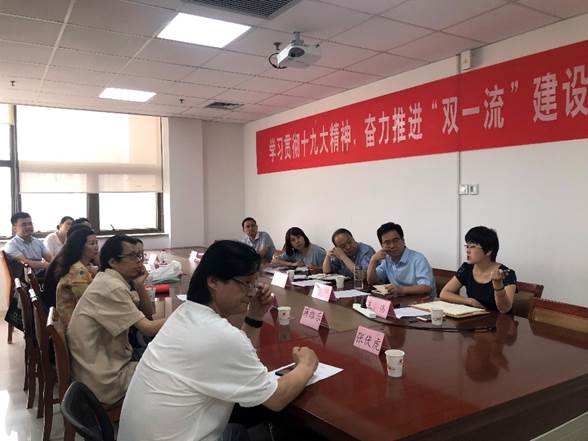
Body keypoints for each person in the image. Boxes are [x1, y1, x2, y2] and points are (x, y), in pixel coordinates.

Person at [118, 240, 319, 441]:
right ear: (213, 281)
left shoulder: (185, 314)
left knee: (239, 427)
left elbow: (236, 357)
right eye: (246, 283)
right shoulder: (218, 335)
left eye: (254, 283)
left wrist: (255, 315)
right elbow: (277, 398)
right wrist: (306, 366)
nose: (252, 292)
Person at [67, 235, 165, 405]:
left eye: (140, 255)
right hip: (105, 381)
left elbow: (147, 312)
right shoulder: (111, 287)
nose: (139, 261)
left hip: (100, 367)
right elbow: (148, 328)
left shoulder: (109, 279)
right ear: (113, 262)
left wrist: (139, 285)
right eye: (132, 256)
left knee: (165, 359)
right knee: (172, 367)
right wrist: (183, 315)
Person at [440, 226, 516, 313]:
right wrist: (470, 301)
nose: (468, 251)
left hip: (499, 320)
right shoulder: (466, 269)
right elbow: (444, 293)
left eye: (472, 246)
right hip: (474, 318)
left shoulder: (505, 273)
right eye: (467, 246)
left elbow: (504, 309)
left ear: (488, 251)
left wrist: (497, 284)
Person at [366, 222, 435, 297]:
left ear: (403, 241)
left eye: (395, 241)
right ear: (382, 245)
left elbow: (427, 287)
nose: (392, 246)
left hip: (423, 301)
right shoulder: (387, 259)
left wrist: (401, 290)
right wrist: (373, 261)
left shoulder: (418, 259)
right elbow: (372, 282)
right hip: (400, 301)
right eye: (387, 243)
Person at [54, 227, 99, 326]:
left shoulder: (83, 266)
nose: (96, 247)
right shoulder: (77, 271)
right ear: (80, 247)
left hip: (77, 319)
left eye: (96, 243)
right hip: (74, 325)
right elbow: (89, 300)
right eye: (92, 244)